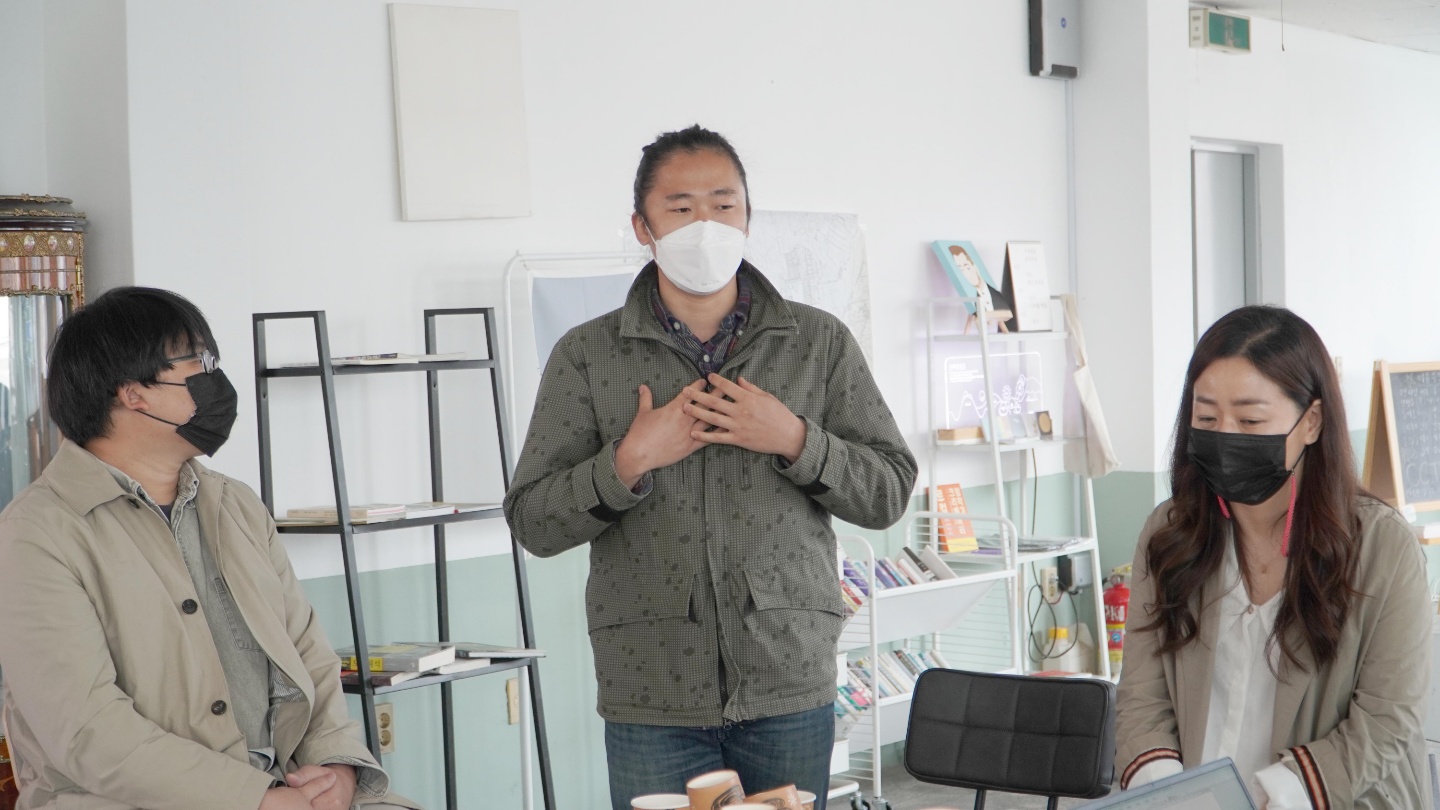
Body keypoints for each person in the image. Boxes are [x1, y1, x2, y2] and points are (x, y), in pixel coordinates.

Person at [504, 125, 917, 809]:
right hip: (651, 690)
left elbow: (888, 490)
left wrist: (794, 439)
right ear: (642, 227)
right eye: (681, 207)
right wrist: (629, 461)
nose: (705, 226)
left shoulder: (817, 342)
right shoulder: (587, 354)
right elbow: (534, 522)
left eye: (724, 206)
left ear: (748, 218)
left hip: (787, 677)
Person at [0, 287, 418, 810]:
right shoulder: (36, 533)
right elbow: (88, 732)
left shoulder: (236, 505)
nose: (215, 380)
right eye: (199, 362)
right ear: (134, 393)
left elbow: (309, 657)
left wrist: (337, 767)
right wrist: (254, 799)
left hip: (285, 787)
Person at [1115, 305, 1431, 809]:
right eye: (1206, 417)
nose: (1225, 436)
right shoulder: (1170, 533)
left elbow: (1388, 717)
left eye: (1250, 419)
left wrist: (1282, 793)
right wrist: (1170, 791)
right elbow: (1141, 695)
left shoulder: (1382, 547)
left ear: (1311, 421)